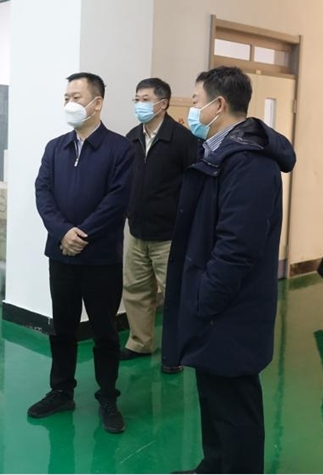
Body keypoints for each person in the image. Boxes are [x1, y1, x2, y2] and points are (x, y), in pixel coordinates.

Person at [162, 66, 296, 473]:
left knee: (235, 407)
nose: (192, 110)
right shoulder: (218, 152)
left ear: (219, 105)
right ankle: (215, 465)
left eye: (196, 101)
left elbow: (238, 246)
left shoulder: (250, 163)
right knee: (213, 396)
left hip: (230, 308)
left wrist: (205, 298)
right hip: (213, 304)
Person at [29, 72, 134, 434]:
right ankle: (61, 391)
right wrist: (63, 232)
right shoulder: (55, 148)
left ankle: (107, 397)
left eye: (76, 97)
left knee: (105, 332)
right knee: (62, 327)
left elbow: (117, 200)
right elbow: (43, 193)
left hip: (101, 258)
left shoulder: (119, 149)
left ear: (97, 103)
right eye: (66, 98)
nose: (69, 104)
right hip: (61, 255)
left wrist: (81, 234)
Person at [121, 77, 197, 370]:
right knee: (136, 290)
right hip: (137, 231)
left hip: (169, 235)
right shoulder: (132, 138)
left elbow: (194, 185)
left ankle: (175, 352)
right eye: (136, 99)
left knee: (175, 294)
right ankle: (139, 342)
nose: (139, 104)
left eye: (145, 99)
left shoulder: (182, 139)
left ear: (162, 104)